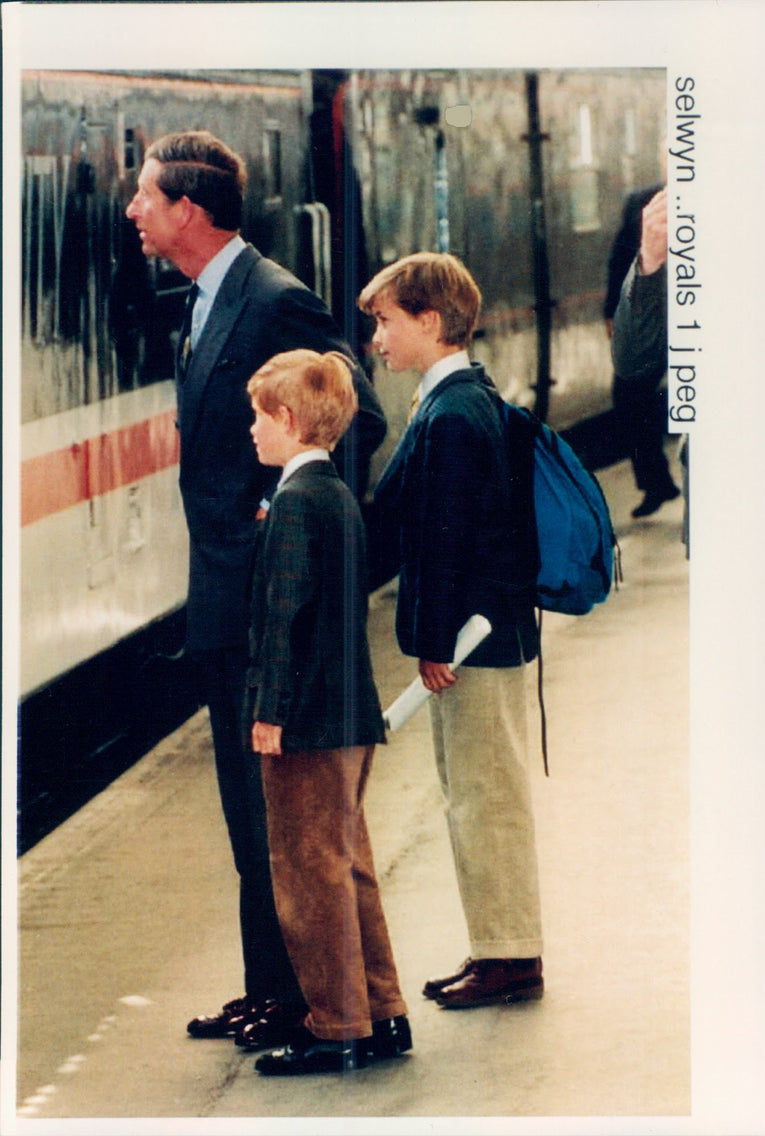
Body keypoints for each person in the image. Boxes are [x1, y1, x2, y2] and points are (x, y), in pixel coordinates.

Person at [125, 131, 387, 1046]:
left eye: (145, 197)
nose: (133, 212)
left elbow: (362, 413)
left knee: (275, 816)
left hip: (257, 594)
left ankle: (302, 1000)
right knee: (249, 813)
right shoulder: (206, 301)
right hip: (224, 599)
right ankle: (268, 987)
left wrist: (286, 510)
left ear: (187, 210)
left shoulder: (274, 300)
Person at [358, 252, 545, 1010]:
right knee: (474, 793)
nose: (377, 339)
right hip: (479, 639)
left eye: (385, 321)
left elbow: (446, 538)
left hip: (473, 645)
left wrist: (432, 641)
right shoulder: (459, 399)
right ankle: (496, 947)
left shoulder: (454, 412)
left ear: (429, 322)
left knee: (485, 797)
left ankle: (511, 957)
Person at [242, 349, 409, 1074]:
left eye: (257, 416)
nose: (250, 430)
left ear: (286, 420)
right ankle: (383, 1013)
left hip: (306, 722)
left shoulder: (294, 502)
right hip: (349, 716)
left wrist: (267, 712)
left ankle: (337, 1025)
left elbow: (283, 619)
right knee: (350, 868)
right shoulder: (337, 494)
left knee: (308, 877)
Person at [612, 187, 689, 555]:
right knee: (630, 395)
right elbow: (619, 259)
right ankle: (656, 481)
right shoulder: (650, 208)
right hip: (660, 331)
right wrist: (649, 262)